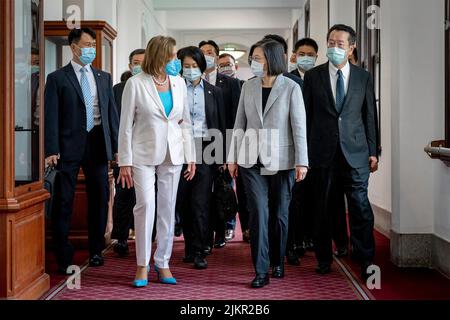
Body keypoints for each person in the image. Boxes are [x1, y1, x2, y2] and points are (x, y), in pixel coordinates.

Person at [228, 39, 308, 288]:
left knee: (280, 215)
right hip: (251, 160)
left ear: (272, 59)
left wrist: (302, 161)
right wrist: (232, 158)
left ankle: (278, 260)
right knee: (258, 213)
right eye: (253, 57)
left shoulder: (291, 87)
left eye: (259, 57)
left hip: (283, 160)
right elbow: (239, 123)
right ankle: (260, 270)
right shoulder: (248, 87)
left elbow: (299, 126)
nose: (254, 62)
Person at [118, 36, 196, 287]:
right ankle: (142, 264)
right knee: (146, 206)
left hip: (173, 153)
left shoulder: (179, 83)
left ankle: (163, 262)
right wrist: (124, 161)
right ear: (160, 56)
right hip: (141, 154)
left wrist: (191, 155)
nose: (176, 61)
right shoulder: (135, 83)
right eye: (172, 56)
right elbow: (125, 126)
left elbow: (185, 122)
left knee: (167, 208)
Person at [303, 24, 378, 279]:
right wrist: (304, 155)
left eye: (340, 44)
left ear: (352, 48)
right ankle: (324, 258)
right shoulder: (313, 77)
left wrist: (373, 150)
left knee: (360, 207)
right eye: (331, 43)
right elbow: (306, 116)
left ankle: (366, 258)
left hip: (356, 153)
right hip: (322, 153)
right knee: (322, 207)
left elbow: (369, 115)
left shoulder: (363, 77)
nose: (334, 48)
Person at [44, 28, 119, 274]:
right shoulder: (57, 78)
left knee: (99, 197)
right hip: (68, 147)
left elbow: (111, 116)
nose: (91, 50)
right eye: (87, 45)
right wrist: (51, 148)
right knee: (64, 199)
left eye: (93, 45)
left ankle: (96, 250)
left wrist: (116, 148)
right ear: (74, 47)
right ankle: (63, 253)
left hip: (98, 143)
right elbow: (51, 115)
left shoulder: (103, 77)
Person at [176, 46, 226, 269]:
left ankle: (199, 249)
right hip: (179, 148)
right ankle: (189, 247)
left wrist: (222, 156)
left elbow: (221, 124)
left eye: (194, 66)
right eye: (186, 66)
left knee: (201, 201)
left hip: (206, 148)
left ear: (201, 67)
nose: (190, 70)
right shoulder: (175, 89)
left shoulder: (214, 92)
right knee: (183, 200)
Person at [199, 40, 242, 250]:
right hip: (201, 144)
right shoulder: (190, 81)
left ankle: (222, 231)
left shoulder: (231, 83)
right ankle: (205, 236)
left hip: (223, 143)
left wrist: (231, 152)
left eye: (210, 52)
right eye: (202, 53)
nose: (206, 56)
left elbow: (235, 118)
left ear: (216, 57)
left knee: (223, 191)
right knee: (203, 191)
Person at [111, 48, 145, 257]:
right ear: (130, 65)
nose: (138, 65)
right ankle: (121, 237)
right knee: (124, 194)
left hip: (147, 150)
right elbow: (114, 122)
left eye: (142, 61)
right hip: (124, 151)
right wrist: (117, 151)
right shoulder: (118, 89)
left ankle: (145, 238)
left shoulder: (155, 87)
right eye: (135, 62)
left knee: (146, 197)